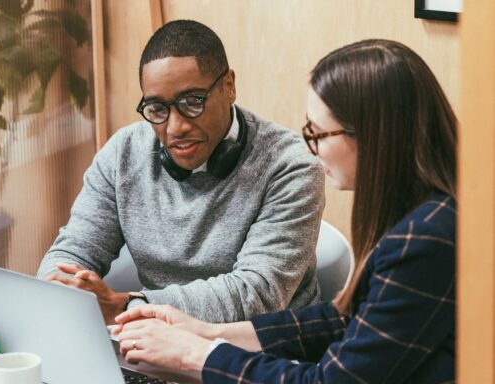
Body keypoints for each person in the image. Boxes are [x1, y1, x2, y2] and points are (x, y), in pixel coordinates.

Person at [114, 39, 457, 383]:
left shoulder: (425, 240)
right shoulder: (427, 212)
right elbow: (348, 321)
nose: (312, 148)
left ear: (374, 136)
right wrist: (207, 332)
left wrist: (195, 355)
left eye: (319, 133)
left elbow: (329, 382)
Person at [37, 20, 325, 325]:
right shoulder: (123, 153)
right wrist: (58, 288)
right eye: (158, 109)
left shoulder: (291, 164)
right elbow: (75, 249)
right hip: (158, 340)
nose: (176, 128)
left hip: (263, 351)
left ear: (229, 86)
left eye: (192, 102)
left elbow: (258, 294)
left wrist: (128, 306)